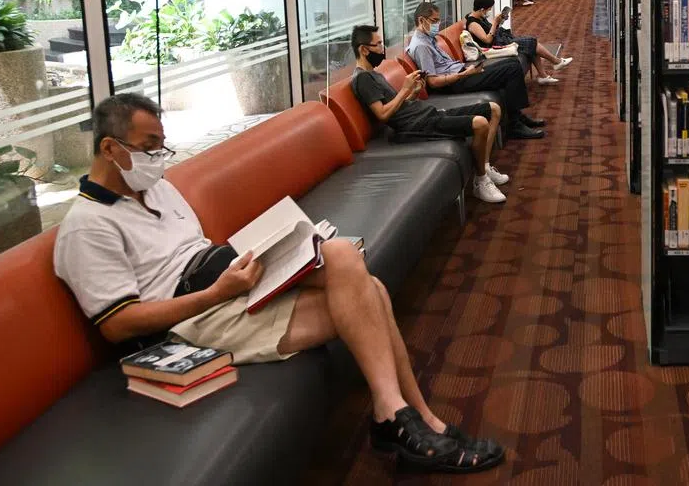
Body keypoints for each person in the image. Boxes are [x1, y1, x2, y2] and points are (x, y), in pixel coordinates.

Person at [53, 94, 504, 474]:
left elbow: (196, 248)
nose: (159, 159)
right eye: (150, 147)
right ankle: (400, 417)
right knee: (356, 271)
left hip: (220, 281)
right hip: (191, 320)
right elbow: (118, 325)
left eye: (162, 147)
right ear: (110, 149)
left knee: (360, 280)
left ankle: (414, 417)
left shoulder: (156, 188)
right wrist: (216, 293)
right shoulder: (87, 227)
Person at [351, 24, 508, 203]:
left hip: (425, 113)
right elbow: (383, 114)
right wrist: (404, 89)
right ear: (364, 50)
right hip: (416, 125)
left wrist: (413, 92)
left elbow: (398, 106)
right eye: (378, 44)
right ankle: (480, 182)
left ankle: (484, 167)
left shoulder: (374, 74)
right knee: (480, 123)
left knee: (493, 109)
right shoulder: (363, 79)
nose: (382, 48)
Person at [406, 2, 546, 140]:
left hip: (462, 73)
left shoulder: (428, 39)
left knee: (512, 63)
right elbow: (433, 82)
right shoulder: (421, 46)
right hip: (456, 81)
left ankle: (516, 116)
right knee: (511, 69)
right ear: (421, 20)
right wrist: (464, 74)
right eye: (434, 21)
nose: (437, 24)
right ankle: (514, 125)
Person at [465, 0, 572, 85]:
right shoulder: (473, 23)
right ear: (482, 9)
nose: (489, 11)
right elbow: (487, 40)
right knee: (531, 43)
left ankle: (545, 74)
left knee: (531, 42)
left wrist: (500, 21)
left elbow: (491, 31)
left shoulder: (479, 17)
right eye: (488, 9)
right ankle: (555, 63)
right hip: (494, 46)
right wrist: (494, 23)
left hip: (500, 39)